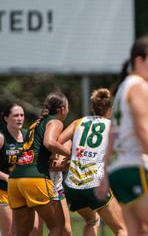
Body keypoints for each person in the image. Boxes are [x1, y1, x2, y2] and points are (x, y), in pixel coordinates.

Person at [106, 35, 148, 236]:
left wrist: (104, 170)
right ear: (139, 61)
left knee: (139, 232)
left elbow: (112, 134)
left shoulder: (122, 88)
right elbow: (142, 129)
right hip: (137, 166)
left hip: (118, 171)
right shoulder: (139, 87)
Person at [57, 88, 127, 236]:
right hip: (94, 185)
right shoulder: (112, 127)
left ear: (93, 107)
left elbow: (58, 141)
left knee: (92, 221)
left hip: (72, 186)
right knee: (121, 229)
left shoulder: (78, 122)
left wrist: (67, 156)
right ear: (111, 108)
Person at [8, 92, 72, 236]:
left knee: (22, 233)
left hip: (15, 180)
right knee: (58, 227)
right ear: (62, 109)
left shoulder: (36, 124)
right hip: (35, 179)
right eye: (68, 107)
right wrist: (71, 155)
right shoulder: (55, 122)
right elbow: (49, 142)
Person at [0, 104, 28, 236]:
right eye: (15, 115)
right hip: (4, 190)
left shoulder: (28, 136)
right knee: (10, 233)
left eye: (22, 115)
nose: (20, 118)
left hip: (25, 190)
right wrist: (7, 177)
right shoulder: (1, 138)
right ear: (6, 118)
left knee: (27, 231)